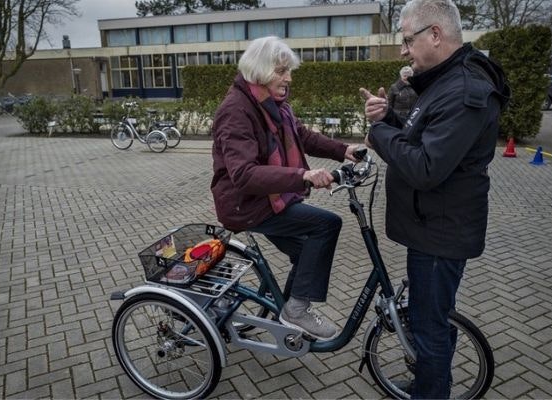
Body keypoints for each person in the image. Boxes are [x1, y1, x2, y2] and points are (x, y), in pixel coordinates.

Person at [360, 0, 510, 398]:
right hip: (433, 228)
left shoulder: (463, 90)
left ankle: (432, 390)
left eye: (408, 40)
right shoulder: (444, 82)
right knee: (432, 322)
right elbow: (420, 137)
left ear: (436, 35)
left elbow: (427, 166)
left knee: (429, 329)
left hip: (439, 236)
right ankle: (431, 379)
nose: (404, 50)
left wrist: (379, 135)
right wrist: (387, 120)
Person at [211, 36, 359, 341]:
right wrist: (302, 175)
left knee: (309, 250)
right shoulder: (236, 110)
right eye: (281, 71)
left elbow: (301, 136)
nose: (288, 77)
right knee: (326, 225)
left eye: (287, 70)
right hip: (247, 203)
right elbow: (244, 175)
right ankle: (296, 311)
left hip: (270, 198)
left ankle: (290, 311)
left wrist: (344, 150)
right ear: (261, 71)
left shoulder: (272, 104)